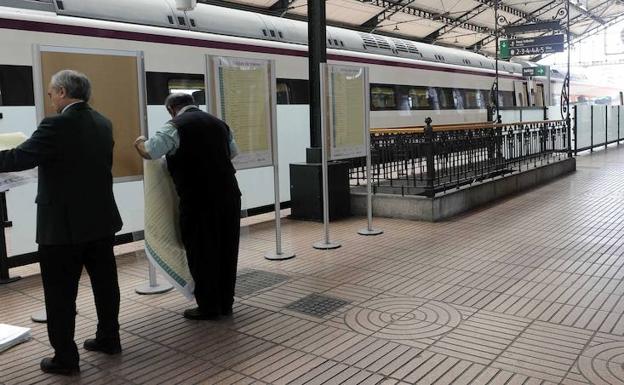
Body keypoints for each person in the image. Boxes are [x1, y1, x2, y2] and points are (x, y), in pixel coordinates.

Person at [0, 70, 123, 375]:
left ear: (64, 92)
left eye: (53, 92)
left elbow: (20, 158)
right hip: (101, 220)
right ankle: (109, 339)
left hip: (63, 228)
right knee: (106, 286)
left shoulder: (56, 124)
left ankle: (65, 358)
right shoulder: (102, 122)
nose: (51, 97)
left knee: (60, 294)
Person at [134, 93, 241, 321]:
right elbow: (233, 152)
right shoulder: (219, 123)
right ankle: (226, 302)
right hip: (229, 196)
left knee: (201, 251)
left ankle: (208, 307)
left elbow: (150, 151)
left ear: (172, 108)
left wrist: (139, 141)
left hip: (198, 200)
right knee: (226, 249)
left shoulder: (174, 126)